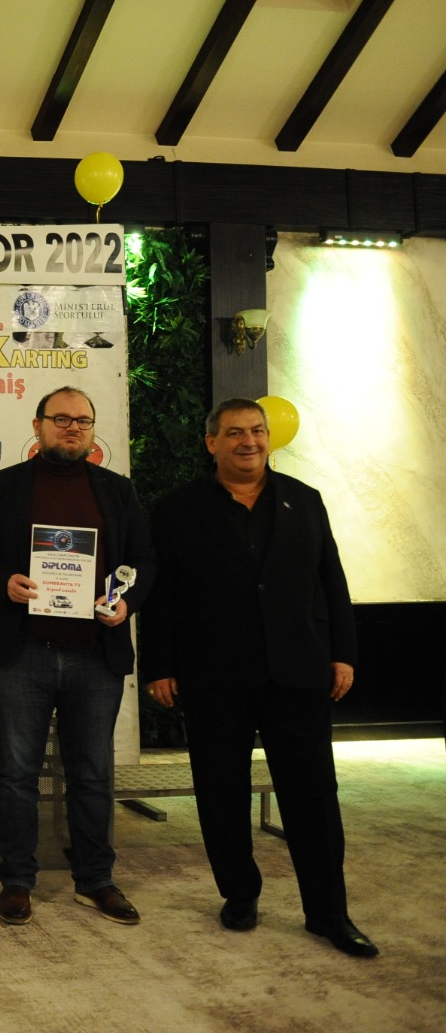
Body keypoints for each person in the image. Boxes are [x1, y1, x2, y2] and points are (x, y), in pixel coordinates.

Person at [143, 398, 377, 957]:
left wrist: (343, 654)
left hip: (298, 670)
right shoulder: (176, 509)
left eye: (256, 431)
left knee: (313, 796)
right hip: (213, 674)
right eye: (234, 433)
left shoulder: (305, 499)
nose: (248, 441)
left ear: (268, 438)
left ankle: (328, 912)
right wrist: (159, 665)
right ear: (212, 443)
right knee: (221, 792)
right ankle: (240, 894)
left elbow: (332, 581)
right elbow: (161, 594)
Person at [0, 385, 155, 928]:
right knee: (16, 774)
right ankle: (17, 880)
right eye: (61, 419)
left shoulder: (116, 490)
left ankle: (95, 880)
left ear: (92, 430)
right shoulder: (4, 486)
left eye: (82, 421)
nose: (72, 428)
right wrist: (5, 580)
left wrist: (126, 604)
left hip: (95, 655)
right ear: (38, 425)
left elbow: (144, 561)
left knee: (92, 774)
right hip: (20, 654)